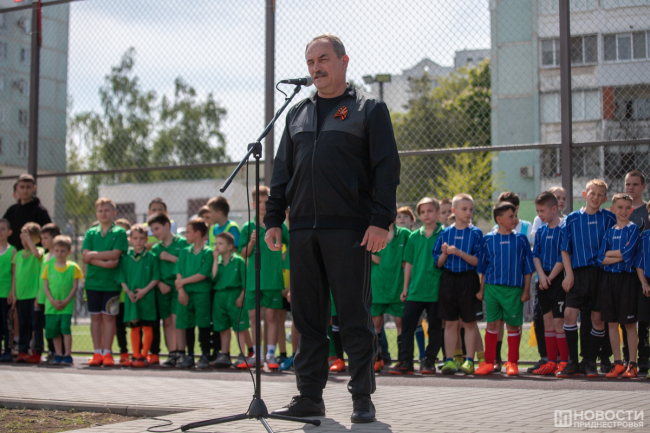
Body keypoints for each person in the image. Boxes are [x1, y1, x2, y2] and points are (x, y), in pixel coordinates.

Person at [264, 34, 399, 422]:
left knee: (355, 317)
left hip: (350, 231)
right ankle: (309, 396)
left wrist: (381, 221)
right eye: (310, 62)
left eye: (323, 59)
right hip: (302, 230)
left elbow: (386, 169)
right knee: (307, 319)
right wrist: (273, 217)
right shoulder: (297, 113)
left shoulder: (368, 109)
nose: (315, 67)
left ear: (343, 61)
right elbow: (282, 171)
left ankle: (362, 397)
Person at [557, 179, 616, 378]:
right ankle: (572, 362)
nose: (595, 197)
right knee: (569, 314)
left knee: (597, 318)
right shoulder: (572, 219)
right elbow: (565, 249)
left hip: (601, 274)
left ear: (605, 199)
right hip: (578, 274)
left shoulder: (608, 218)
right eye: (592, 193)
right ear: (585, 194)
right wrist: (569, 274)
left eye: (600, 195)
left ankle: (590, 361)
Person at [475, 203, 535, 376]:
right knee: (492, 325)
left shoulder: (521, 240)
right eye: (511, 216)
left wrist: (526, 290)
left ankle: (512, 363)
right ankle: (489, 362)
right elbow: (483, 268)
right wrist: (481, 289)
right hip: (492, 289)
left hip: (514, 290)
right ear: (499, 219)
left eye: (516, 216)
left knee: (513, 326)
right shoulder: (488, 239)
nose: (515, 219)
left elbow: (528, 268)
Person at [388, 197, 443, 375]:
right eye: (423, 212)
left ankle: (429, 361)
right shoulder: (414, 236)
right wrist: (405, 288)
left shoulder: (444, 234)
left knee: (435, 328)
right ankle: (406, 361)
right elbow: (409, 264)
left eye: (430, 211)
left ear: (437, 213)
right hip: (415, 290)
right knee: (407, 325)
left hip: (436, 290)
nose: (426, 215)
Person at [433, 194, 483, 375]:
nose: (468, 212)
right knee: (450, 323)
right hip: (449, 280)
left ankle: (469, 361)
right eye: (464, 209)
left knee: (469, 323)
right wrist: (445, 254)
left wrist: (460, 253)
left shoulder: (476, 233)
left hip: (468, 280)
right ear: (454, 211)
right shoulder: (445, 233)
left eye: (471, 209)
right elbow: (438, 263)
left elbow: (479, 262)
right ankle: (449, 361)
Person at [240, 186, 289, 370]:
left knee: (271, 316)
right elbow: (243, 254)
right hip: (254, 280)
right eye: (259, 202)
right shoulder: (247, 227)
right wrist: (251, 242)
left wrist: (284, 259)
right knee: (254, 316)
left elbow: (292, 243)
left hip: (273, 278)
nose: (262, 205)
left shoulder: (278, 226)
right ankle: (257, 355)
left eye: (266, 202)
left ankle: (271, 354)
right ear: (253, 204)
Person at [596, 193, 639, 378]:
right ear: (613, 209)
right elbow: (600, 259)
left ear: (632, 209)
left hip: (627, 279)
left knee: (629, 323)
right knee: (612, 323)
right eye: (620, 207)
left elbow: (630, 254)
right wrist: (619, 254)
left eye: (627, 208)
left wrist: (610, 254)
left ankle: (633, 364)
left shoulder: (633, 229)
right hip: (609, 280)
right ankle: (618, 363)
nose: (623, 211)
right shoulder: (609, 232)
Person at [82, 198, 129, 367]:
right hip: (93, 283)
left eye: (107, 210)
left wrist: (93, 256)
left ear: (114, 213)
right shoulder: (90, 233)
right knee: (95, 318)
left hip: (111, 284)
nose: (103, 213)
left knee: (109, 318)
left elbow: (115, 254)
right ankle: (97, 352)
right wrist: (104, 263)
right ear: (96, 214)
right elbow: (85, 256)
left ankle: (107, 353)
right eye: (100, 211)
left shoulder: (120, 232)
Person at [493, 191, 537, 372]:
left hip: (517, 283)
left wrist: (526, 286)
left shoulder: (526, 228)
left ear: (517, 208)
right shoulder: (494, 231)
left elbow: (531, 254)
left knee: (514, 322)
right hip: (498, 284)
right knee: (497, 323)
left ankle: (513, 360)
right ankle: (496, 359)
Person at [531, 192, 567, 376]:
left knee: (559, 321)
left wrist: (550, 277)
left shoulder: (564, 229)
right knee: (547, 321)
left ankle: (564, 361)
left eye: (542, 211)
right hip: (543, 280)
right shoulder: (541, 231)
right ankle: (551, 361)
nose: (539, 215)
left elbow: (563, 257)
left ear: (554, 209)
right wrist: (542, 276)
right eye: (537, 211)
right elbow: (535, 255)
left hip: (557, 280)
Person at [117, 225, 160, 368]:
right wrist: (128, 291)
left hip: (147, 298)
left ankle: (144, 355)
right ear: (130, 239)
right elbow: (121, 277)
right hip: (131, 298)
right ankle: (135, 355)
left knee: (147, 327)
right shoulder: (125, 258)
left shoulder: (152, 257)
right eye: (135, 238)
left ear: (146, 239)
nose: (138, 241)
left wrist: (144, 291)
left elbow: (156, 278)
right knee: (134, 327)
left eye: (141, 238)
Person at [149, 212, 188, 368]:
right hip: (163, 288)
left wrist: (171, 258)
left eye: (157, 229)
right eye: (152, 230)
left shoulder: (183, 243)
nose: (155, 233)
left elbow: (187, 264)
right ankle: (172, 354)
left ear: (167, 225)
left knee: (177, 319)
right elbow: (152, 271)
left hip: (179, 287)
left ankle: (181, 352)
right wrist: (159, 284)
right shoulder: (156, 248)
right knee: (167, 321)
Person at [174, 218, 213, 369]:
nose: (186, 235)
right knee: (187, 324)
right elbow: (178, 271)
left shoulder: (208, 252)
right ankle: (189, 355)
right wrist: (181, 290)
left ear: (197, 233)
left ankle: (205, 355)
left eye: (188, 232)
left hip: (201, 294)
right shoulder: (184, 252)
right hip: (186, 294)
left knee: (203, 324)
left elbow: (203, 274)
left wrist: (182, 283)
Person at [370, 220, 409, 372]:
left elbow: (409, 259)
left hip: (398, 286)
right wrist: (371, 255)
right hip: (378, 286)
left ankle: (402, 360)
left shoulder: (405, 234)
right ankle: (376, 359)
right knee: (375, 324)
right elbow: (370, 255)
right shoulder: (372, 232)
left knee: (401, 324)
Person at [623, 170, 649, 374]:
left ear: (643, 187)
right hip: (624, 272)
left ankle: (644, 359)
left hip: (643, 273)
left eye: (635, 184)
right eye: (628, 184)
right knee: (626, 318)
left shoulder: (647, 211)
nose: (631, 188)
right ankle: (627, 359)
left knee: (643, 320)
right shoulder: (621, 210)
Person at [42, 235, 82, 366]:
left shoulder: (73, 267)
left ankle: (67, 355)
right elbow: (45, 287)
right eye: (57, 250)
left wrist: (66, 301)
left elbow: (75, 287)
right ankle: (58, 354)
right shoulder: (48, 267)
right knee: (54, 331)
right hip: (51, 307)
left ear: (69, 252)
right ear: (53, 250)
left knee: (65, 329)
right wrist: (52, 301)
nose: (60, 253)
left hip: (66, 306)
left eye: (63, 251)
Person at [211, 232, 248, 368]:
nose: (217, 246)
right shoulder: (217, 262)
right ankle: (225, 355)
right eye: (215, 243)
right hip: (220, 296)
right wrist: (215, 260)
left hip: (234, 294)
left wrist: (242, 296)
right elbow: (213, 277)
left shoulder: (238, 261)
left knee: (239, 327)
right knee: (222, 327)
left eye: (220, 243)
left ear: (230, 246)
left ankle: (242, 355)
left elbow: (245, 281)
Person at [12, 222, 44, 363]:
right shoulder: (18, 255)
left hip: (34, 296)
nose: (24, 240)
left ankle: (37, 352)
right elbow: (15, 275)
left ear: (36, 240)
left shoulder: (39, 251)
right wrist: (13, 293)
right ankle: (23, 351)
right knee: (23, 325)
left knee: (36, 325)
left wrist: (29, 241)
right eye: (22, 237)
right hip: (21, 296)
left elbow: (36, 254)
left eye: (27, 238)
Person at [2, 174, 51, 251]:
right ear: (17, 188)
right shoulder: (12, 210)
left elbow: (49, 235)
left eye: (28, 187)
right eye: (22, 187)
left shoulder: (41, 211)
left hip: (34, 256)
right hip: (14, 255)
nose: (25, 191)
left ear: (34, 188)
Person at [36, 223, 60, 363]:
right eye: (41, 238)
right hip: (43, 299)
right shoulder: (45, 256)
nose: (43, 241)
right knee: (46, 327)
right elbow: (42, 279)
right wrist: (38, 297)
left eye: (46, 238)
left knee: (55, 327)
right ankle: (51, 351)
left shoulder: (58, 257)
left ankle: (58, 353)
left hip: (54, 299)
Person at [634, 202, 650, 379]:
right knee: (644, 322)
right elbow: (639, 263)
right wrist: (644, 283)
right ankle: (644, 358)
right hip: (647, 283)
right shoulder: (645, 236)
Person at [114, 218, 132, 366]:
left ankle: (139, 353)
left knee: (136, 326)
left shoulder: (133, 255)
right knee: (119, 328)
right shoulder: (114, 255)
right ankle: (124, 352)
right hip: (118, 297)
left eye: (125, 233)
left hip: (133, 297)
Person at [0, 219, 16, 363]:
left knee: (7, 324)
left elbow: (14, 273)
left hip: (5, 294)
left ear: (9, 232)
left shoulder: (12, 251)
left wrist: (12, 291)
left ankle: (8, 351)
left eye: (2, 229)